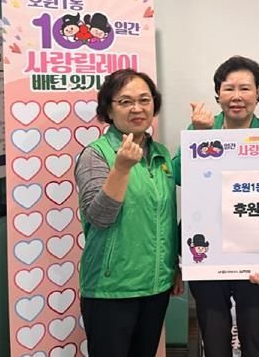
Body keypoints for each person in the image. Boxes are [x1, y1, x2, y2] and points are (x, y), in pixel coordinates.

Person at [174, 55, 259, 357]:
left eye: (245, 88)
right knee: (214, 336)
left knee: (256, 336)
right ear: (217, 94)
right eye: (229, 88)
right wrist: (198, 137)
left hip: (256, 251)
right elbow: (178, 176)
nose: (237, 96)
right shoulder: (201, 130)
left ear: (258, 93)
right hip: (207, 249)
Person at [75, 69, 181, 357]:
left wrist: (173, 265)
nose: (137, 108)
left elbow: (163, 217)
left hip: (156, 286)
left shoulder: (160, 153)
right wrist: (121, 169)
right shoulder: (96, 154)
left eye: (144, 100)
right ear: (108, 110)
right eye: (125, 101)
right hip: (112, 288)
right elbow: (99, 218)